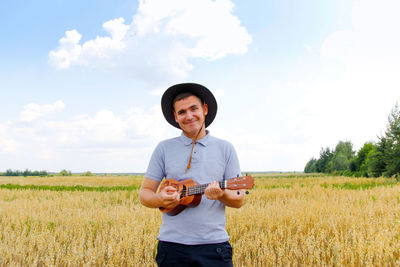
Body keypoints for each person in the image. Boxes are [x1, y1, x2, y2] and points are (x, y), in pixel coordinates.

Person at [139, 83, 245, 267]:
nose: (189, 116)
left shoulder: (225, 148)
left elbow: (239, 199)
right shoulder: (163, 148)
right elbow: (145, 194)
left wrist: (221, 194)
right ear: (175, 116)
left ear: (204, 109)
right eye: (181, 112)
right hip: (171, 248)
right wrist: (160, 200)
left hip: (215, 248)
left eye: (193, 109)